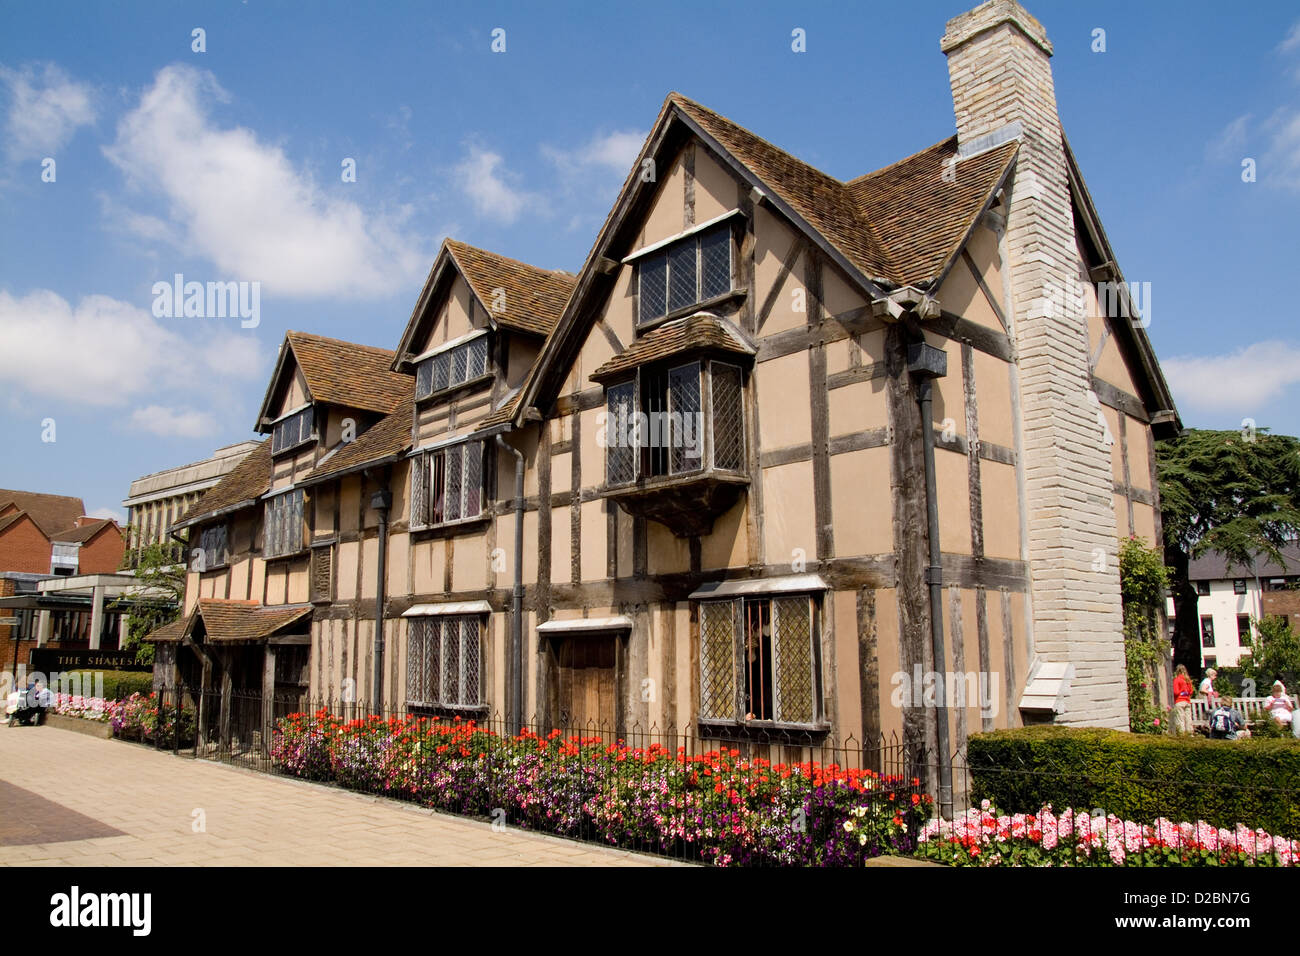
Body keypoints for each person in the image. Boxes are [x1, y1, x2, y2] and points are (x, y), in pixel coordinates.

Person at [1173, 665, 1194, 735]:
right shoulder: (1188, 680)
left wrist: (1181, 692)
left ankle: (1181, 734)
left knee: (1180, 719)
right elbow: (1191, 692)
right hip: (1187, 701)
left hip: (1179, 701)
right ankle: (1190, 733)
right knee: (1188, 718)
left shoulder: (1177, 680)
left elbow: (1175, 692)